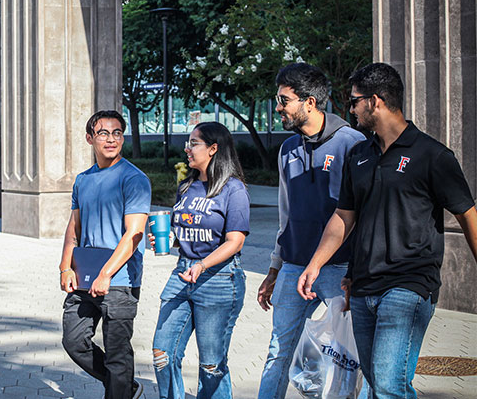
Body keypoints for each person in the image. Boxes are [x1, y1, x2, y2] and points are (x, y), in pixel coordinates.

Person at [297, 63, 477, 398]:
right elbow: (343, 217)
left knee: (388, 384)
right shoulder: (359, 155)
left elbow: (467, 213)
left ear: (375, 101)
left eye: (354, 101)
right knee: (379, 383)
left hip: (409, 283)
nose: (350, 109)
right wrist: (316, 263)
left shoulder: (432, 155)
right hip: (365, 286)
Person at [256, 63, 365, 399]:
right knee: (278, 351)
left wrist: (357, 274)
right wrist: (274, 268)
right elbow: (285, 215)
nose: (278, 108)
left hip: (340, 270)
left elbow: (362, 214)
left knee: (344, 357)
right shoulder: (288, 149)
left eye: (283, 100)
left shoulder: (354, 143)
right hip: (292, 267)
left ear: (310, 102)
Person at [149, 122, 249, 399]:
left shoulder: (233, 189)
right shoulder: (187, 187)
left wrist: (203, 265)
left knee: (211, 364)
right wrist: (168, 240)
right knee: (162, 352)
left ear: (214, 148)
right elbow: (183, 235)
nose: (187, 148)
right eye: (188, 142)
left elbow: (235, 241)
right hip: (182, 275)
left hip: (219, 279)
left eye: (194, 143)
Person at [59, 110, 151, 399]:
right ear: (90, 138)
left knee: (117, 354)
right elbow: (74, 228)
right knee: (74, 341)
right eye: (103, 133)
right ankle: (125, 386)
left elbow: (133, 235)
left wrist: (106, 274)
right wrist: (65, 267)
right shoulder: (83, 180)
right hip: (85, 278)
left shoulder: (134, 179)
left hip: (119, 281)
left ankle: (120, 389)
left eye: (117, 133)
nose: (111, 139)